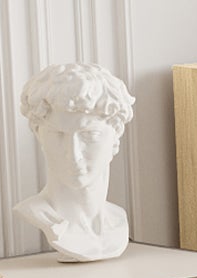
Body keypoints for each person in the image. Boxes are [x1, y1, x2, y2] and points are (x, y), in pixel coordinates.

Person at [16, 64, 136, 263]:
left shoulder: (117, 220)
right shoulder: (38, 213)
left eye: (89, 135)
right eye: (58, 135)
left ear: (116, 134)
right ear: (38, 133)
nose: (73, 154)